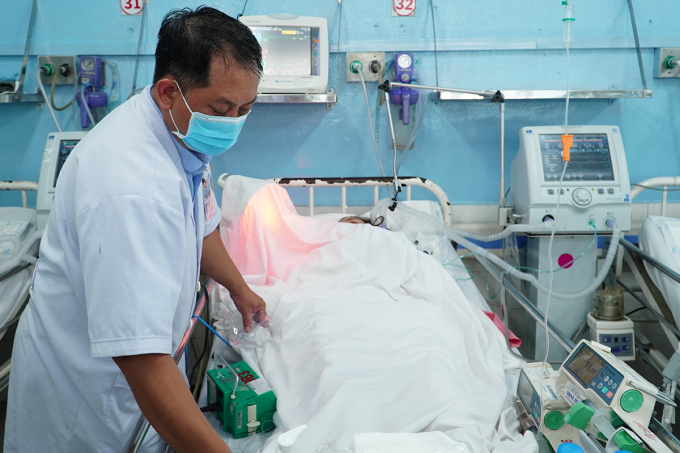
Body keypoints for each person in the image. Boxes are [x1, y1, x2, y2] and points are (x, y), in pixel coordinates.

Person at [5, 7, 266, 453]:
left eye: (245, 109)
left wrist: (238, 288)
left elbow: (202, 227)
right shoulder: (129, 190)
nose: (233, 124)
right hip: (87, 410)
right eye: (222, 110)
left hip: (134, 392)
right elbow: (142, 360)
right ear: (169, 92)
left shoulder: (182, 135)